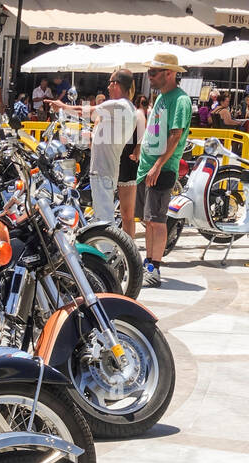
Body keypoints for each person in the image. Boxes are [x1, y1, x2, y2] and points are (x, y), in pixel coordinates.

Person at [136, 53, 193, 288]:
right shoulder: (160, 98)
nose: (149, 77)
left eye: (153, 73)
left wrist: (158, 165)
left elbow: (176, 135)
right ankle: (148, 262)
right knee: (148, 221)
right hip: (148, 167)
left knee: (157, 221)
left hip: (162, 168)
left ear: (169, 73)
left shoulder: (180, 100)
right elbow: (156, 130)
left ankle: (154, 267)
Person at [50, 70, 134, 227]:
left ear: (116, 84)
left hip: (103, 169)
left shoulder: (118, 105)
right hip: (107, 168)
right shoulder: (128, 108)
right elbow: (103, 138)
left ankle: (107, 249)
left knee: (104, 217)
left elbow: (85, 111)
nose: (108, 87)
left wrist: (61, 106)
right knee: (102, 212)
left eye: (110, 82)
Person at [117, 92, 147, 237]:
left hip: (129, 163)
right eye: (141, 103)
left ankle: (128, 245)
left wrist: (139, 148)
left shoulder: (142, 117)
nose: (143, 107)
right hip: (117, 161)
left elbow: (151, 135)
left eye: (145, 103)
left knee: (127, 213)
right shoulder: (127, 115)